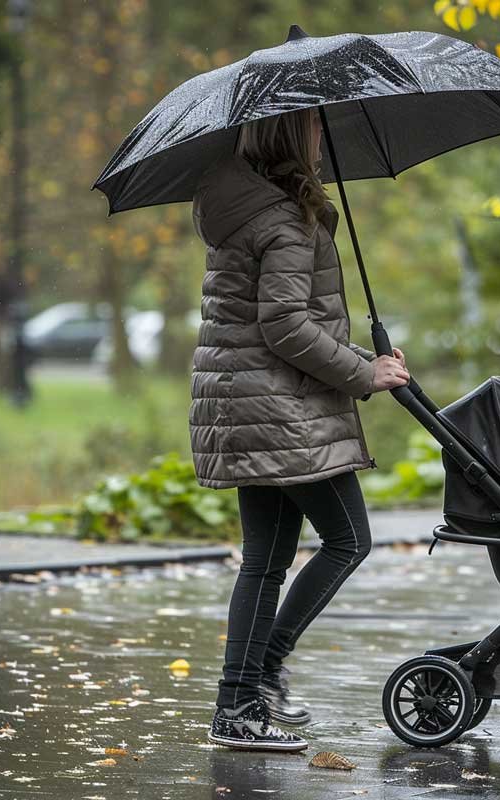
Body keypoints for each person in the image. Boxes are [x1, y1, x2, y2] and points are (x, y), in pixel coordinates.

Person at [189, 106, 409, 751]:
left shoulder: (245, 206)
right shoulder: (283, 219)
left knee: (265, 561)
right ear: (293, 134)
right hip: (279, 408)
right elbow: (285, 325)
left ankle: (246, 697)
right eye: (314, 124)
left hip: (246, 404)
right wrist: (363, 373)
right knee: (347, 539)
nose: (322, 135)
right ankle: (255, 685)